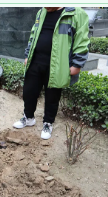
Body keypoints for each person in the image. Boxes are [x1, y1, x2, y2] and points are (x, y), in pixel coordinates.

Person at [13, 7, 89, 139]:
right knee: (29, 91)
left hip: (58, 64)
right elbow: (33, 34)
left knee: (52, 96)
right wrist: (27, 55)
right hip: (35, 60)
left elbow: (81, 39)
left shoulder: (76, 13)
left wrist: (77, 64)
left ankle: (48, 123)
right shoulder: (41, 12)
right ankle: (29, 117)